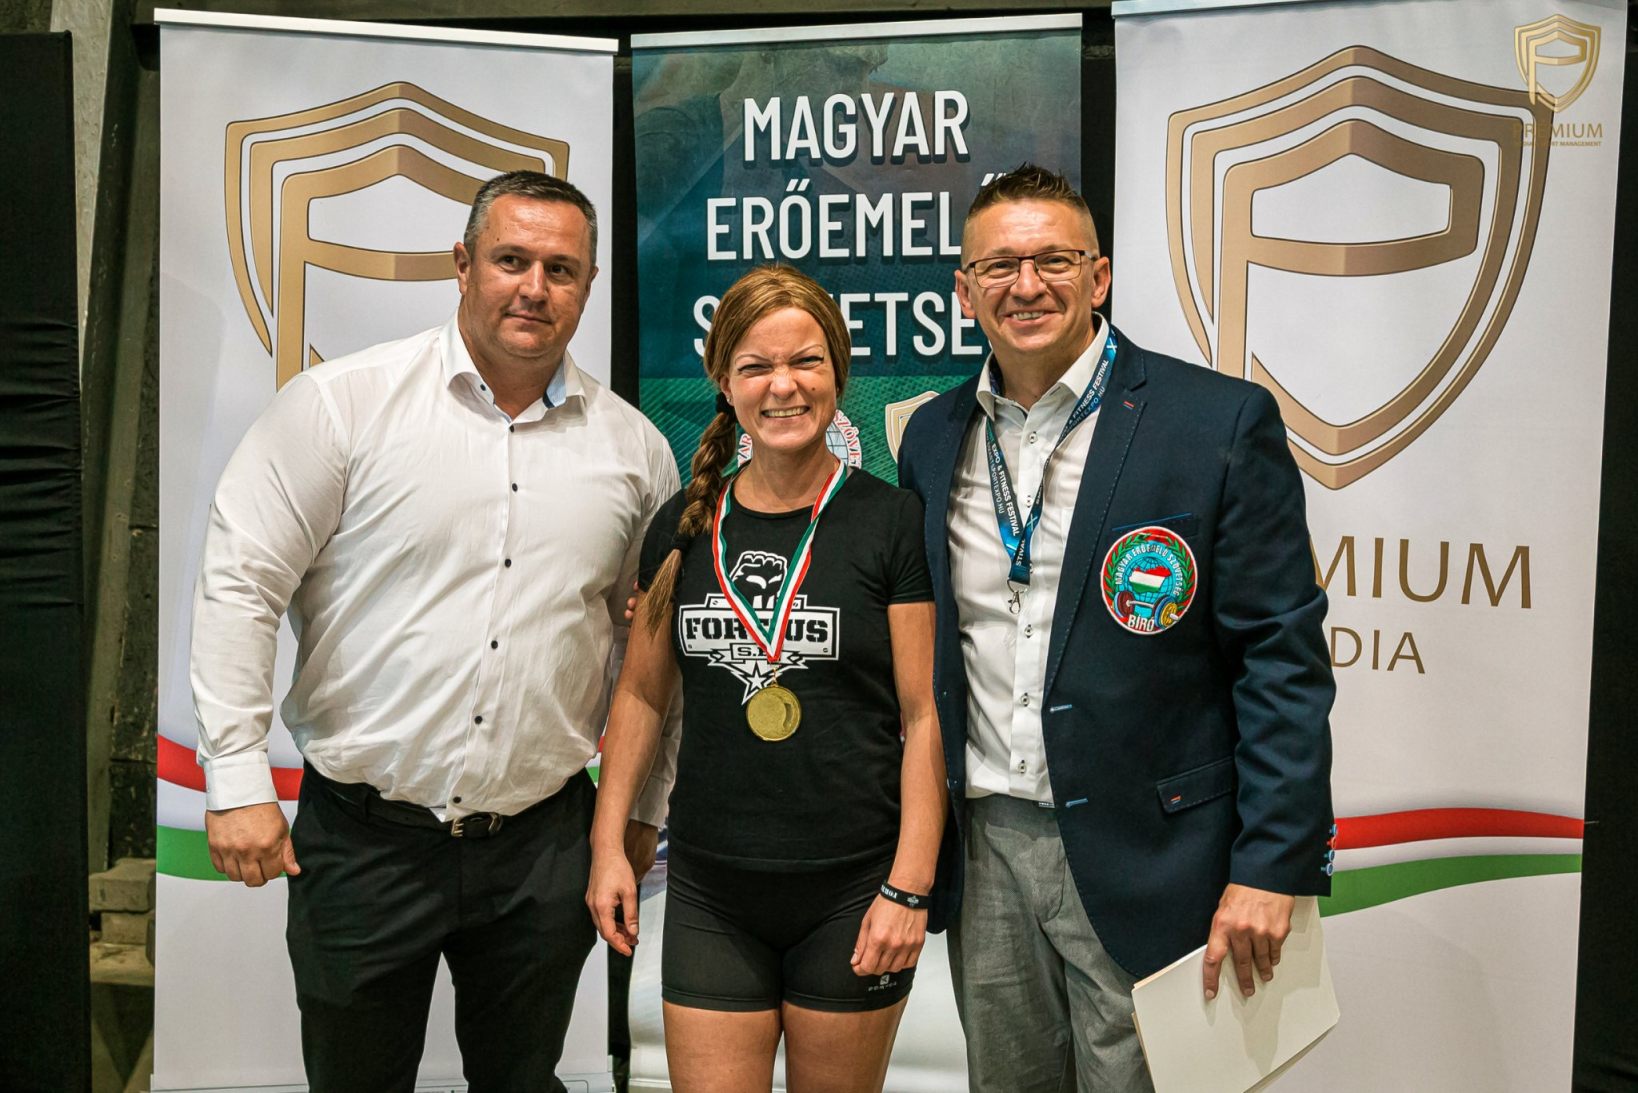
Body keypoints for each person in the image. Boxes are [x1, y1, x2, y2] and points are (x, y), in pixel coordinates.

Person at [191, 170, 680, 1092]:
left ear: (589, 283)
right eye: (510, 260)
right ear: (462, 265)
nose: (534, 288)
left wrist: (642, 805)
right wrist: (235, 775)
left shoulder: (634, 451)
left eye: (561, 269)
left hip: (542, 844)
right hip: (364, 841)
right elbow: (241, 584)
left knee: (523, 1080)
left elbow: (647, 651)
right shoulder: (342, 405)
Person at [896, 164, 1335, 1091]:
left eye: (1053, 261)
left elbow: (1280, 659)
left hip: (1157, 857)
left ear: (1098, 278)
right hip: (987, 849)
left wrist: (1273, 863)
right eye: (1000, 266)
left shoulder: (1215, 422)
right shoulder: (932, 436)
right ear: (964, 290)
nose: (1027, 285)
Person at [586, 265, 946, 1093]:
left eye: (806, 361)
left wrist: (910, 885)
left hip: (853, 888)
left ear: (838, 373)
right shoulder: (682, 524)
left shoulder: (890, 520)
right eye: (756, 366)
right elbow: (640, 695)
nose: (784, 385)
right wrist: (608, 846)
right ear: (724, 380)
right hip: (711, 891)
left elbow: (925, 714)